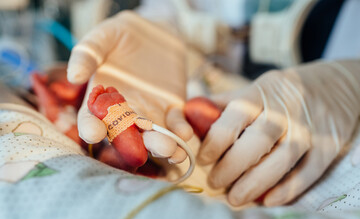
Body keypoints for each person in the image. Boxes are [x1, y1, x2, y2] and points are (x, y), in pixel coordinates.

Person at [67, 11, 360, 207]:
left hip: (336, 116)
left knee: (255, 151)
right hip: (209, 86)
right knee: (196, 131)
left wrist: (350, 81)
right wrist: (160, 26)